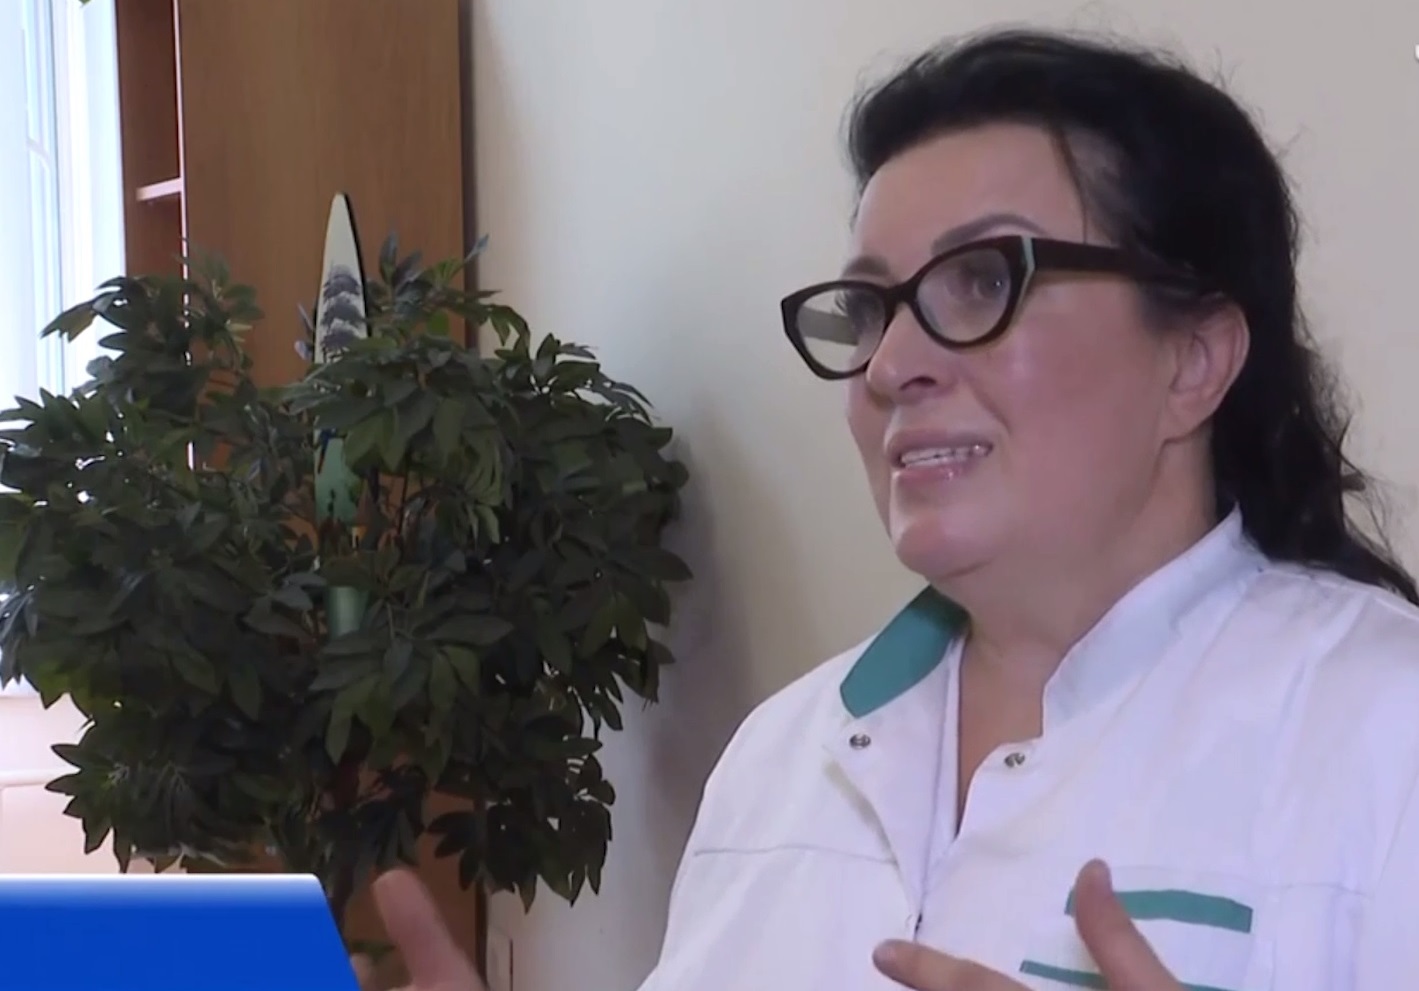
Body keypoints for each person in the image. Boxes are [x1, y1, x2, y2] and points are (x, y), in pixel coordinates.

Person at [357, 28, 1419, 991]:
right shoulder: (783, 755)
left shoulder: (1379, 726)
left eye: (982, 282)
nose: (892, 362)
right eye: (869, 309)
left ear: (1193, 361)